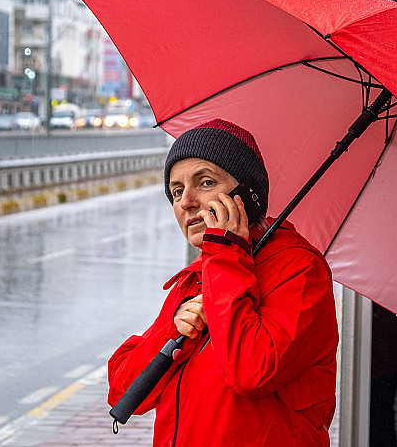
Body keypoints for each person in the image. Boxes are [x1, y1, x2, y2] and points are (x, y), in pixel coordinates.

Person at [107, 119, 339, 446]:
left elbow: (253, 372)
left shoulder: (300, 270)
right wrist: (173, 329)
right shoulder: (198, 277)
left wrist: (227, 255)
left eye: (205, 182)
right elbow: (123, 390)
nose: (186, 202)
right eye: (176, 191)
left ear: (248, 195)